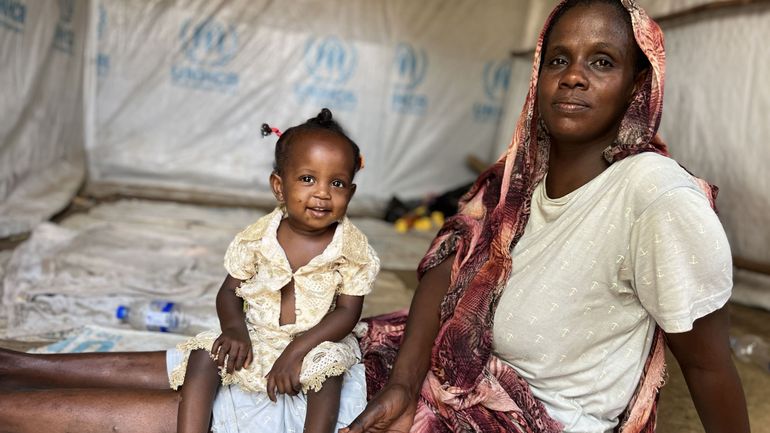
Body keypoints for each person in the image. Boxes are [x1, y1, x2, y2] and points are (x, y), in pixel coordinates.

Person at [340, 1, 750, 433]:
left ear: (636, 84)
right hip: (454, 377)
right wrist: (403, 384)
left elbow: (708, 366)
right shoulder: (515, 177)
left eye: (602, 61)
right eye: (559, 60)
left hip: (538, 421)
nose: (573, 76)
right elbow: (446, 268)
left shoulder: (656, 196)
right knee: (312, 365)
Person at [0, 108, 380, 433]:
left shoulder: (351, 247)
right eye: (308, 179)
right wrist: (235, 331)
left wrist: (298, 350)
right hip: (257, 338)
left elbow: (348, 312)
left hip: (315, 341)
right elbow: (228, 292)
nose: (322, 193)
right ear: (279, 187)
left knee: (327, 372)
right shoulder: (257, 237)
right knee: (204, 355)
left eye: (338, 183)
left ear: (352, 191)